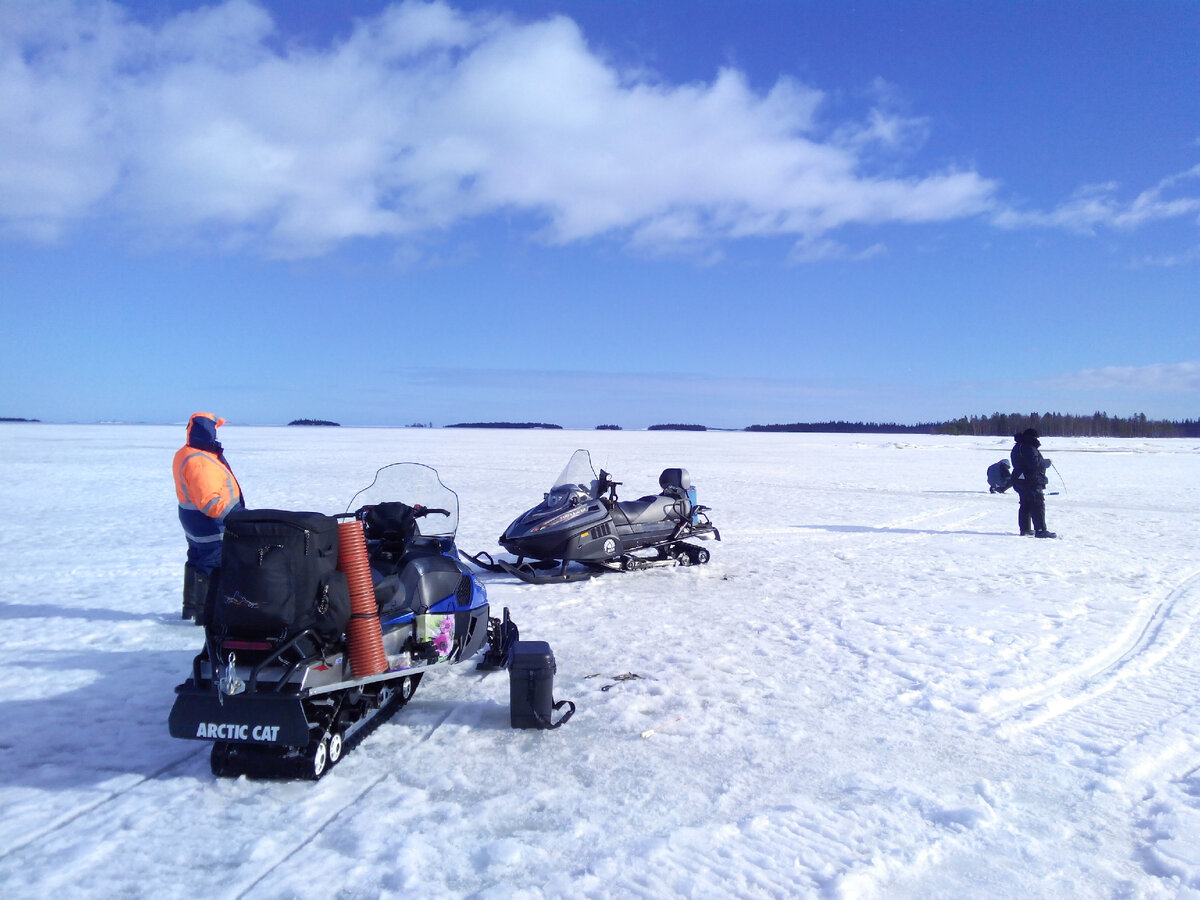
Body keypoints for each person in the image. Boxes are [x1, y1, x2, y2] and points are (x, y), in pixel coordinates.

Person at [173, 412, 244, 622]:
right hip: (210, 523)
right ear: (205, 431)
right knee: (211, 563)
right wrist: (237, 517)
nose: (216, 435)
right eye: (214, 430)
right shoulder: (200, 460)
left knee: (196, 558)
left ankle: (190, 608)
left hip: (193, 519)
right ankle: (207, 616)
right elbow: (210, 502)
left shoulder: (188, 452)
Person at [1009, 428, 1055, 538]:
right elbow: (1034, 463)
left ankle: (1025, 529)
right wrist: (1046, 463)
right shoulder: (1029, 447)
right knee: (1037, 504)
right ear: (1032, 437)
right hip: (1031, 480)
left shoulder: (1017, 447)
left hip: (1019, 480)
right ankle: (1041, 530)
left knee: (1025, 504)